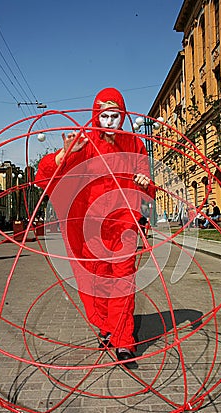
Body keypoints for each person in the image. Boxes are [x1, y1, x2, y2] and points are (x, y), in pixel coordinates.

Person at [35, 87, 154, 369]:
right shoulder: (84, 142)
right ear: (95, 116)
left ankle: (124, 341)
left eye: (116, 115)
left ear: (123, 116)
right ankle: (107, 327)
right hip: (88, 227)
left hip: (123, 223)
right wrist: (63, 155)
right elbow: (45, 177)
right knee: (96, 282)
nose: (110, 121)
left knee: (123, 281)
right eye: (105, 115)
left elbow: (147, 180)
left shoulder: (134, 143)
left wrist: (143, 180)